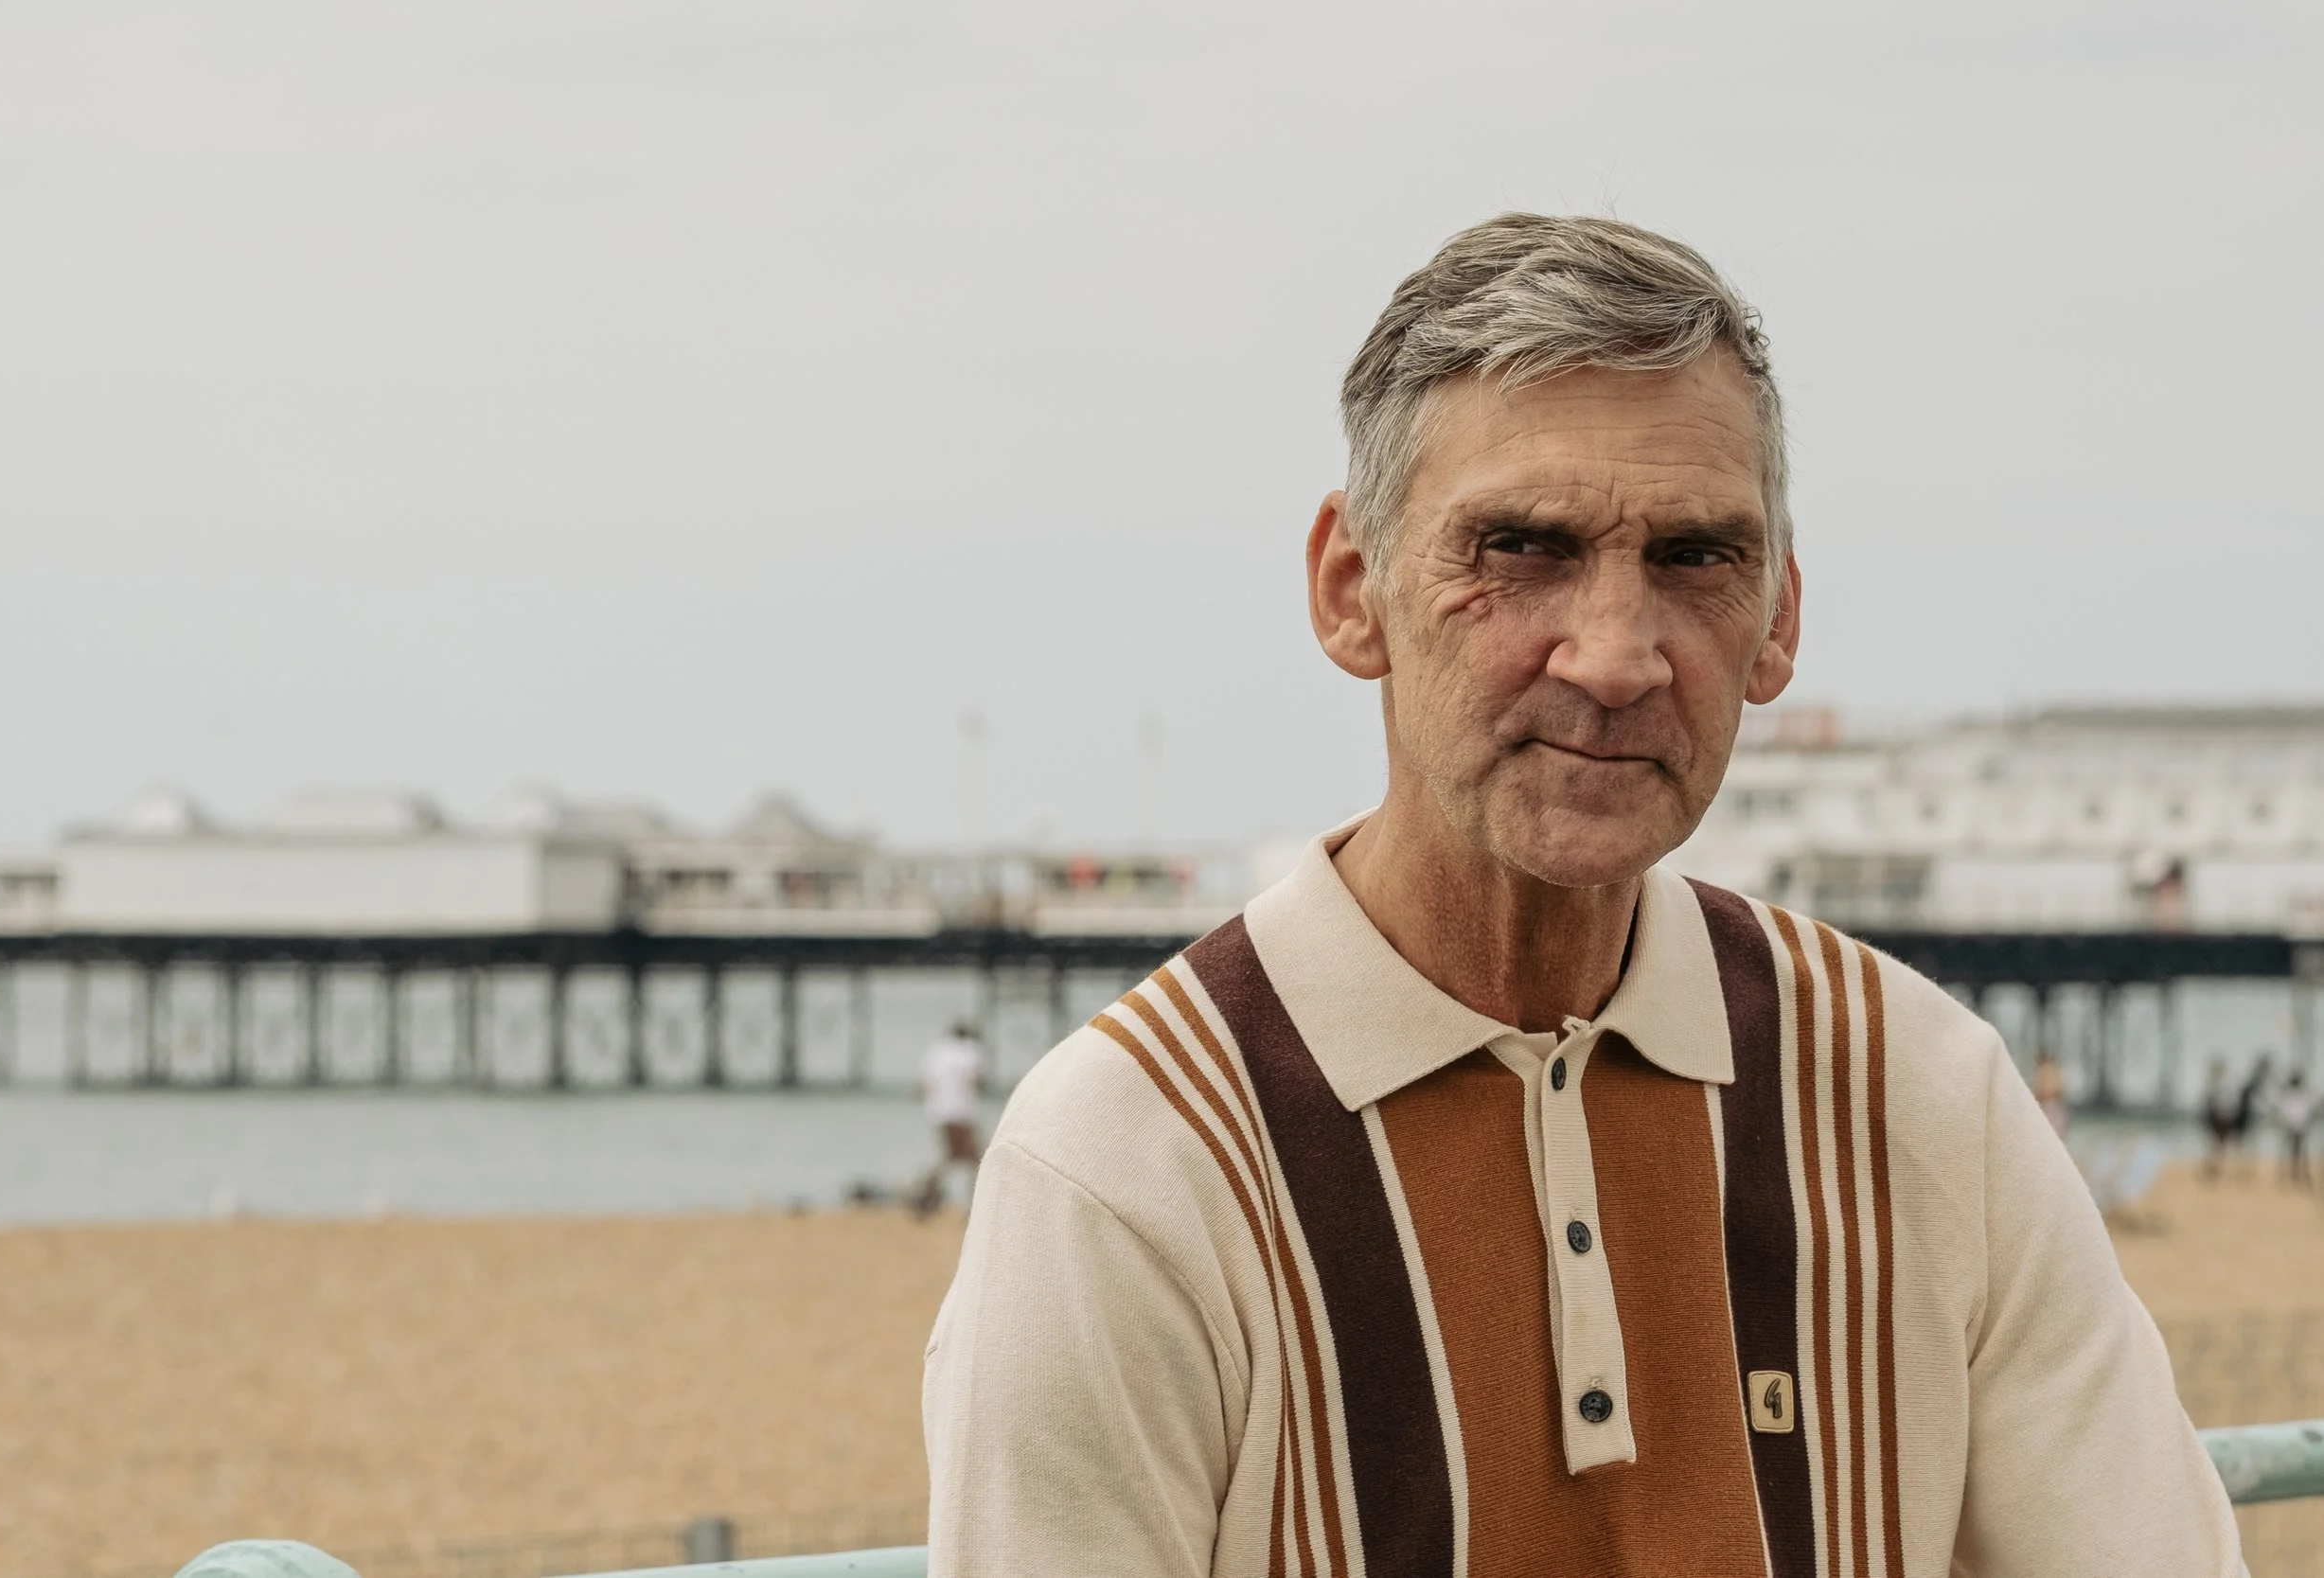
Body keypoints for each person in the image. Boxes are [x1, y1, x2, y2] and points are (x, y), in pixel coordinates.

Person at [924, 214, 2241, 1575]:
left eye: (1694, 557)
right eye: (1521, 547)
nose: (1616, 655)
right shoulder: (1138, 1159)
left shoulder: (1917, 1096)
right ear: (1349, 587)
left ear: (1777, 619)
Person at [911, 1020, 986, 1218]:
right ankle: (975, 1208)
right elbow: (976, 1081)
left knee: (952, 1156)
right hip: (961, 1112)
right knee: (978, 1159)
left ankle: (925, 1196)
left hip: (939, 1112)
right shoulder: (970, 1050)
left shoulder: (936, 1051)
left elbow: (921, 1086)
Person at [2279, 1069, 2316, 1189]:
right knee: (2289, 1153)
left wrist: (2301, 1125)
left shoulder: (2303, 1095)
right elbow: (2285, 1112)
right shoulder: (2288, 1096)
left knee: (2302, 1154)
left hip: (2300, 1129)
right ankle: (2286, 1177)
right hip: (2291, 1129)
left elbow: (2307, 1112)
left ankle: (2302, 1176)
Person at [2204, 1057, 2240, 1180]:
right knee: (2218, 1145)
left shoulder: (2220, 1084)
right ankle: (2214, 1167)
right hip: (2220, 1118)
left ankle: (2216, 1167)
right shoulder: (2216, 1084)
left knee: (2219, 1145)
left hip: (2223, 1118)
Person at [2033, 1046, 2069, 1138]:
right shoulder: (2049, 1070)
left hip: (2049, 1104)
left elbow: (2046, 1090)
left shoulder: (2047, 1071)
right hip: (2050, 1104)